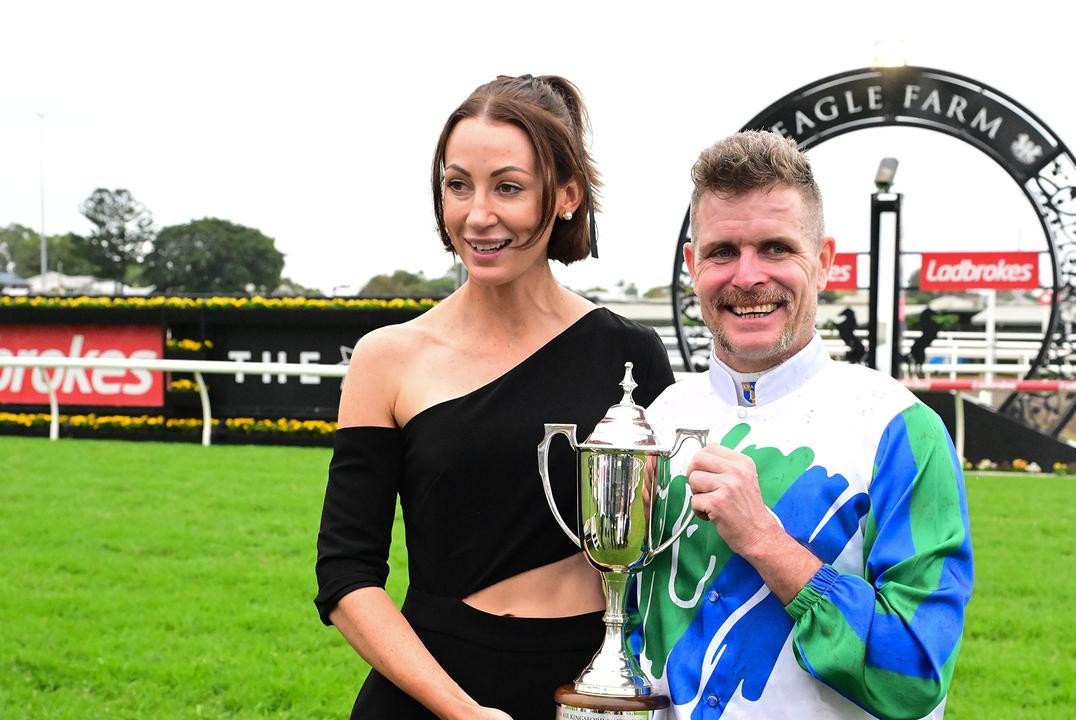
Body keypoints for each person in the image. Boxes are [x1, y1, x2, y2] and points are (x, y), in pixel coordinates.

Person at [314, 75, 674, 719]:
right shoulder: (387, 358)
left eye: (507, 186)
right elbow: (346, 577)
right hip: (429, 695)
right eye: (458, 185)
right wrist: (460, 712)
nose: (477, 215)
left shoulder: (632, 356)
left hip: (595, 692)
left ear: (565, 195)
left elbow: (670, 555)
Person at [633, 131, 973, 720]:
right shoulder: (656, 421)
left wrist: (766, 542)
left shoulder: (899, 428)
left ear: (823, 263)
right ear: (692, 266)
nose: (747, 276)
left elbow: (916, 672)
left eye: (775, 248)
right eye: (721, 252)